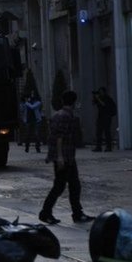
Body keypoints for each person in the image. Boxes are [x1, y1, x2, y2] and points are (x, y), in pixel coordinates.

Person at [38, 91, 93, 225]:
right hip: (65, 156)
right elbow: (59, 138)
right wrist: (60, 157)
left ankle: (77, 213)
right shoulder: (66, 116)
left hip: (66, 156)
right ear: (74, 102)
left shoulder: (58, 115)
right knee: (61, 186)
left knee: (73, 185)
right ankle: (46, 212)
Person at [92, 87, 117, 152]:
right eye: (99, 92)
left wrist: (98, 98)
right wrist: (95, 97)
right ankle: (98, 147)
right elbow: (93, 103)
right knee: (98, 132)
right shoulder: (99, 98)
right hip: (100, 117)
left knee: (107, 132)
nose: (100, 93)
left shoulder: (108, 98)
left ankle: (108, 147)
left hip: (107, 117)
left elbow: (104, 105)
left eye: (101, 92)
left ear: (104, 92)